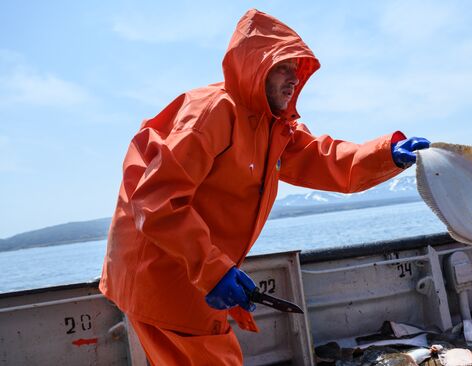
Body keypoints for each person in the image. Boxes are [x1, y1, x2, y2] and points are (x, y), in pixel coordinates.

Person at [99, 8, 430, 365]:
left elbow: (324, 159)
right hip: (162, 273)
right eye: (283, 68)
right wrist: (213, 270)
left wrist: (386, 155)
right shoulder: (212, 112)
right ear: (255, 68)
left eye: (297, 71)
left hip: (189, 272)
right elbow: (155, 200)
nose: (293, 80)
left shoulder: (274, 127)